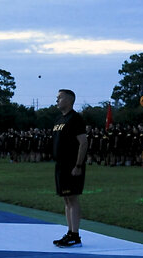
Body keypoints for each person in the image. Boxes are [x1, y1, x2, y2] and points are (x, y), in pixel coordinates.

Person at [52, 89, 88, 248]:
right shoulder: (59, 119)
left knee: (72, 199)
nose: (57, 100)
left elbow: (83, 143)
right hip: (60, 165)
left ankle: (75, 235)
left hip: (71, 165)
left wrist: (78, 165)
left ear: (69, 100)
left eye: (59, 98)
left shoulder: (75, 118)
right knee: (66, 200)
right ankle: (70, 232)